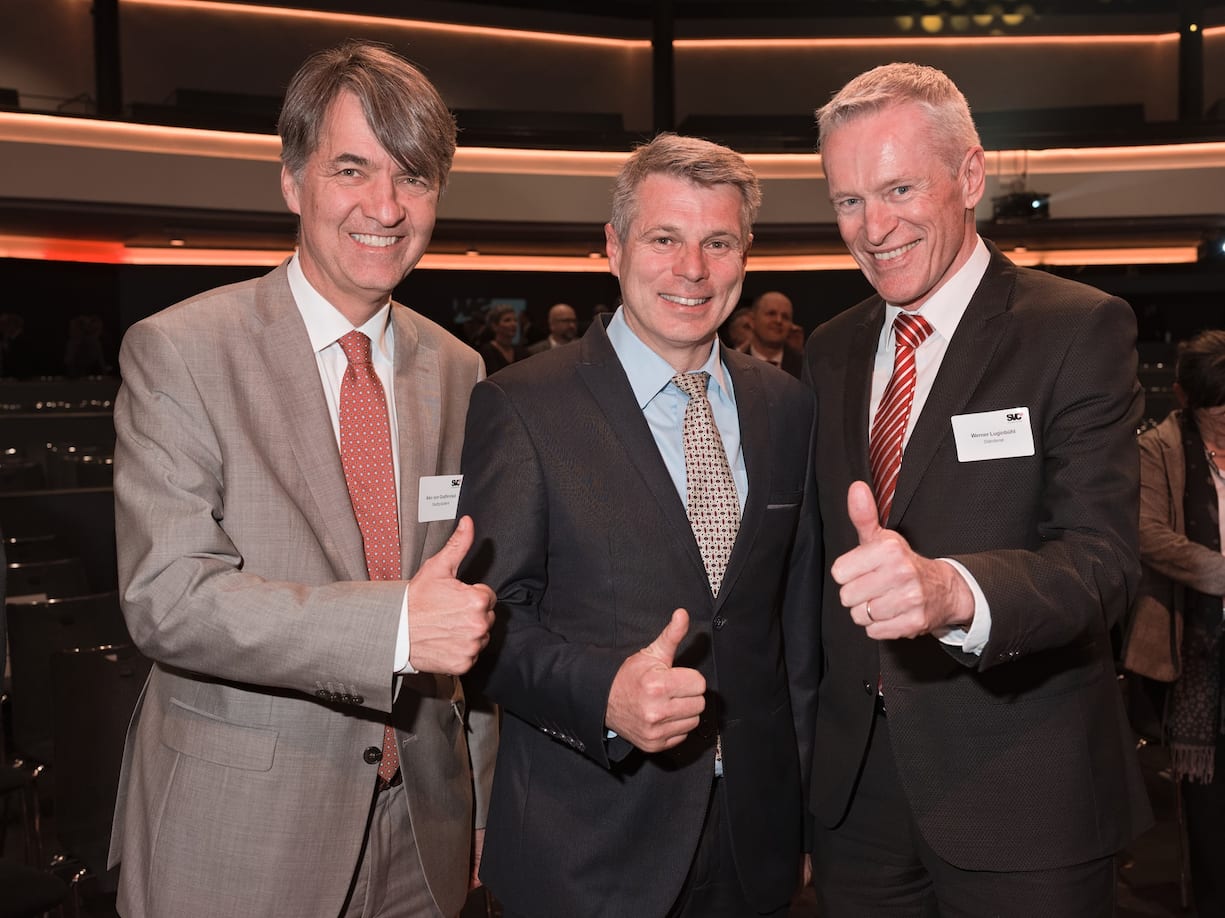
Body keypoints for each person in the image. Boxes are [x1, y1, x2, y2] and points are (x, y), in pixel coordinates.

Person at [108, 41, 497, 918]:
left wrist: (479, 796)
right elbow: (168, 598)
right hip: (243, 830)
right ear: (293, 182)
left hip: (421, 830)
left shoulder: (461, 369)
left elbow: (467, 599)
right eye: (352, 169)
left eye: (414, 177)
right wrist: (394, 625)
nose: (385, 207)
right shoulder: (182, 350)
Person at [803, 62, 1151, 916]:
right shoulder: (830, 347)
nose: (872, 227)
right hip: (855, 799)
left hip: (1021, 789)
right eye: (848, 200)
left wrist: (949, 590)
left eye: (897, 188)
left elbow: (1103, 563)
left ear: (968, 177)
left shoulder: (1075, 327)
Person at [458, 133, 819, 918]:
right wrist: (602, 696)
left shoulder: (787, 407)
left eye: (717, 242)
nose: (692, 269)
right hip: (586, 846)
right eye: (665, 238)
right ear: (614, 246)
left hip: (752, 843)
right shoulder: (522, 404)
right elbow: (481, 628)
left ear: (744, 254)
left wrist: (798, 814)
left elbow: (789, 630)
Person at [1125, 329, 1225, 916]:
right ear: (1185, 399)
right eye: (1216, 415)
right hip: (1196, 647)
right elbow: (1147, 534)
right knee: (1207, 806)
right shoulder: (1157, 449)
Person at [740, 291, 802, 377]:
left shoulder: (803, 367)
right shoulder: (733, 363)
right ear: (752, 320)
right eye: (771, 313)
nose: (778, 320)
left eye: (785, 317)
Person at [478, 302, 530, 373]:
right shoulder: (486, 352)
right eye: (507, 320)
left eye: (515, 320)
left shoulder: (522, 352)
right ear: (494, 326)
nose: (513, 324)